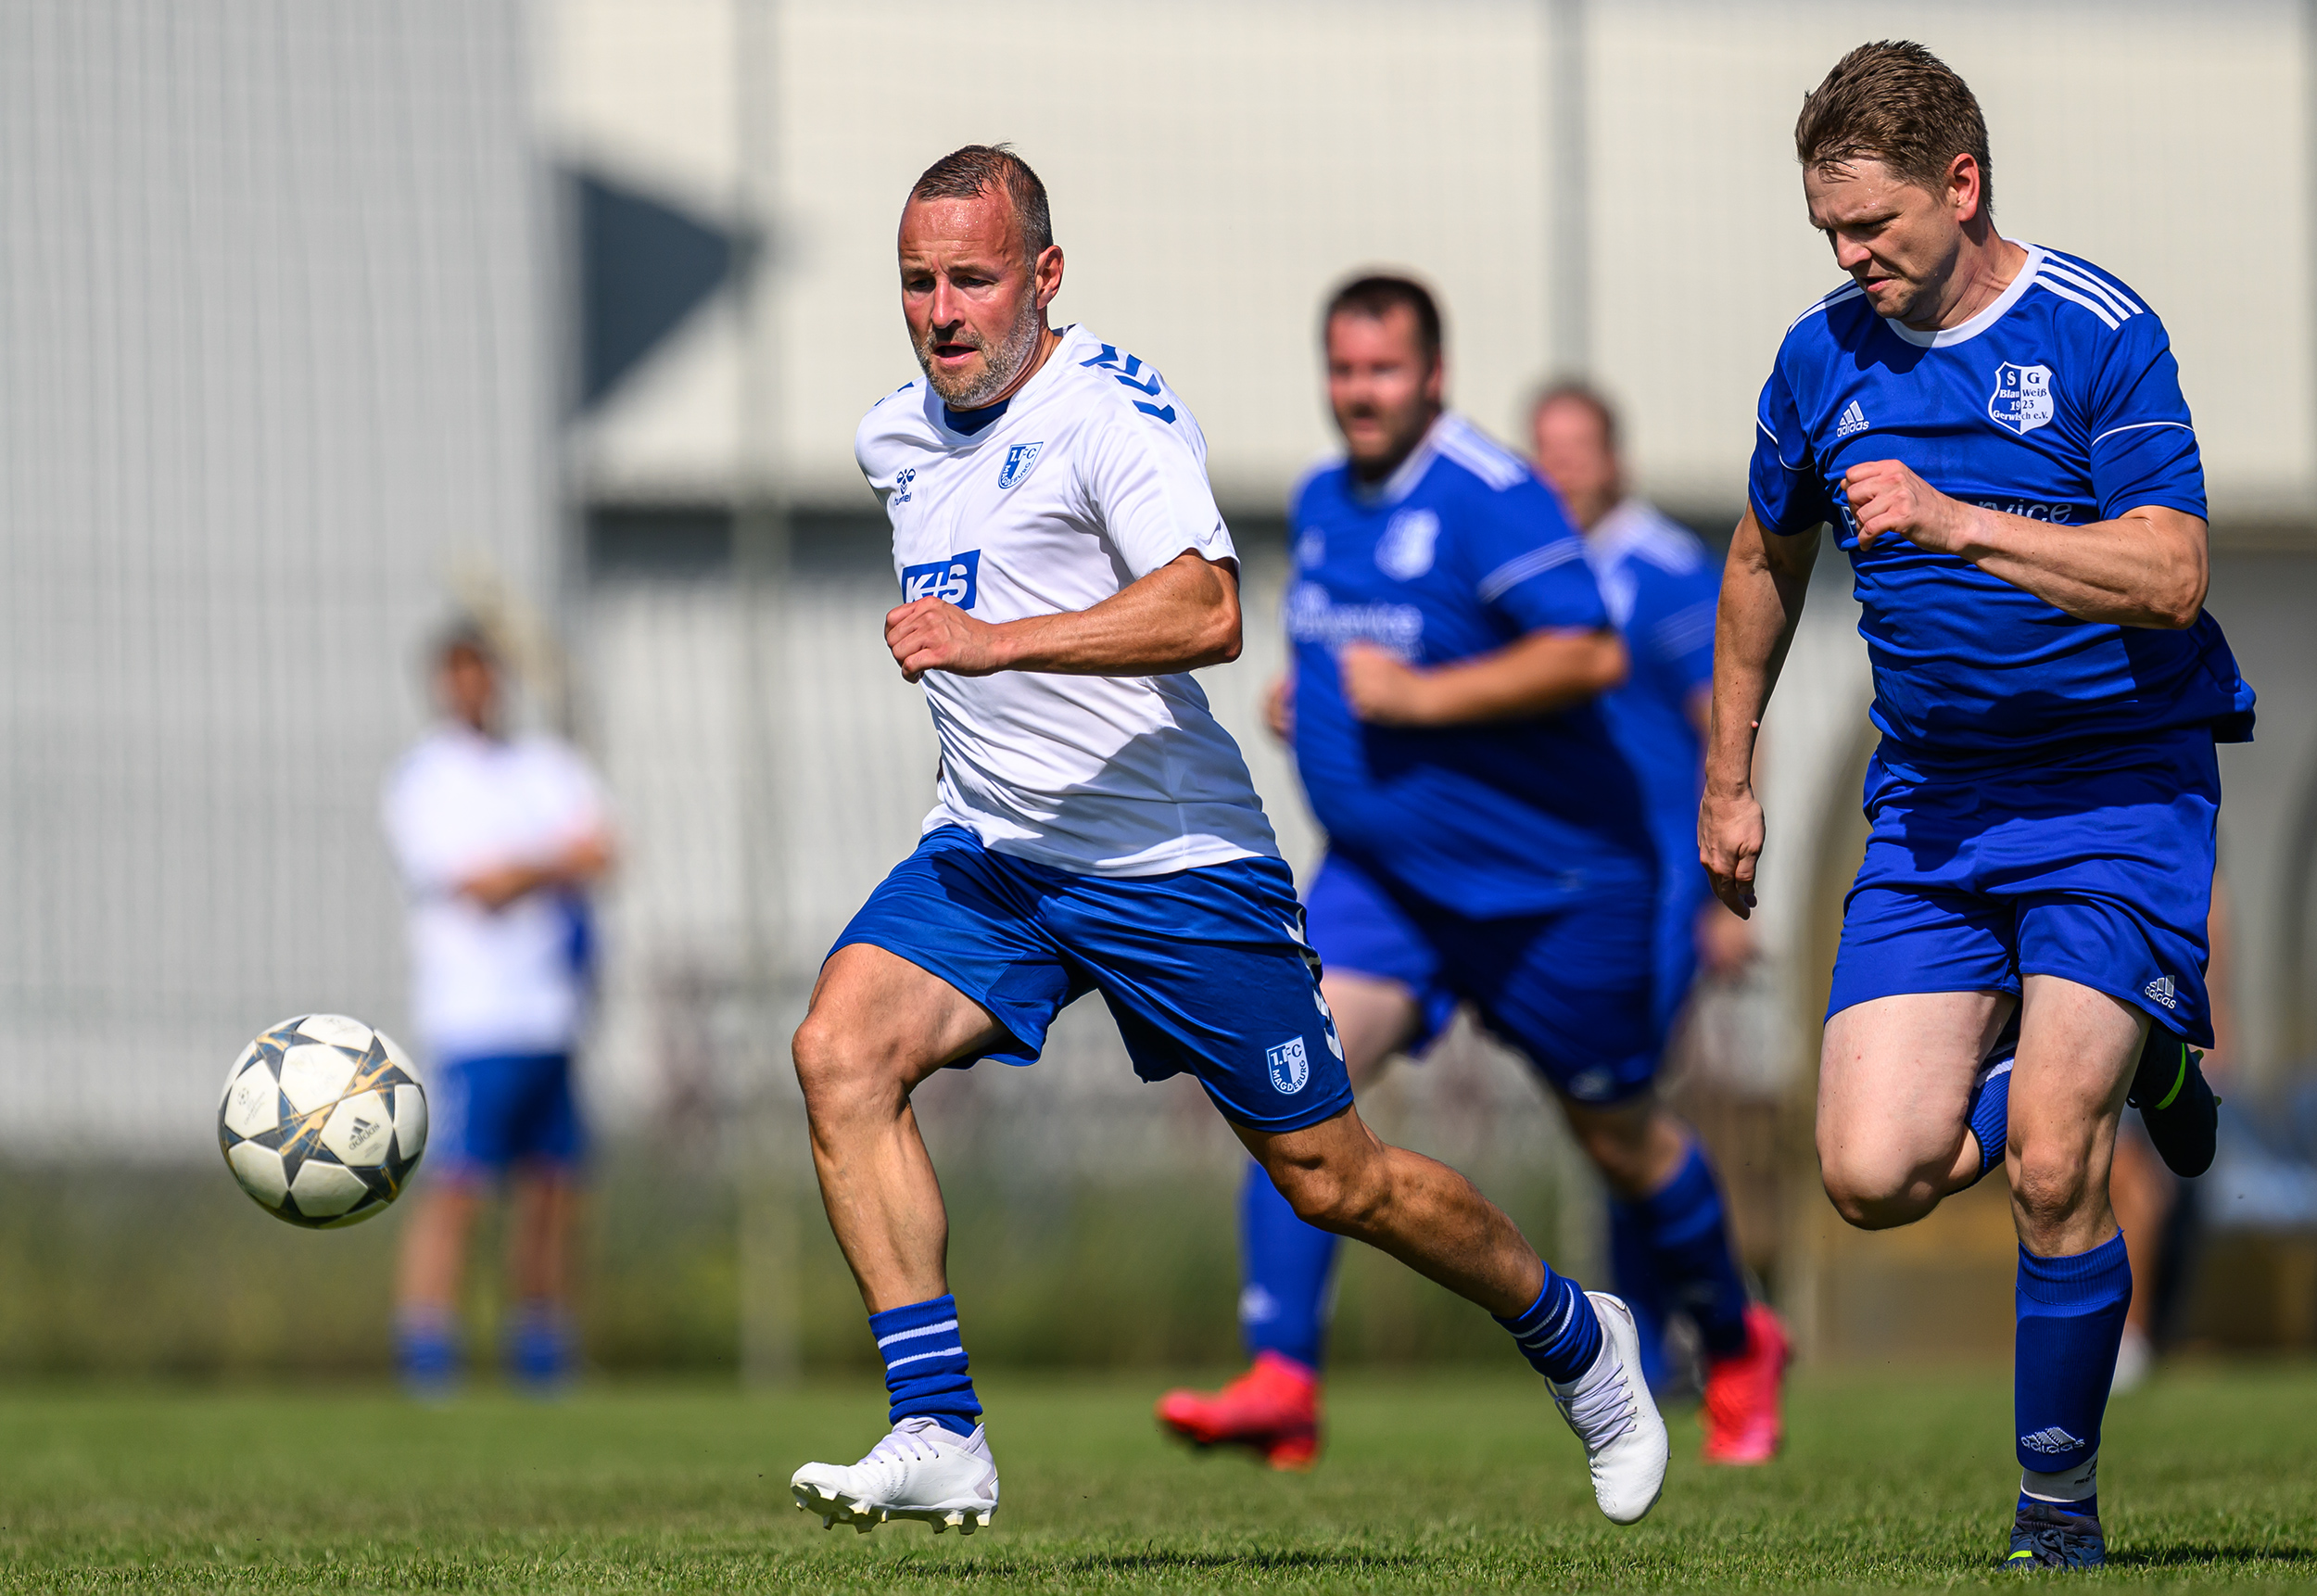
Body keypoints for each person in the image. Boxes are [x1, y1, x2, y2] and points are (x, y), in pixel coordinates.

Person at [784, 147, 1667, 1537]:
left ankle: (1577, 1338)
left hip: (1172, 868)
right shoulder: (895, 437)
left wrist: (997, 642)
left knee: (1334, 1180)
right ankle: (938, 1423)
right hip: (996, 857)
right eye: (918, 281)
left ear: (1045, 276)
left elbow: (1207, 608)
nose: (942, 310)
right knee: (841, 1050)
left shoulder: (1108, 417)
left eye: (974, 278)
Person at [1702, 43, 2246, 1570]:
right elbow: (1763, 562)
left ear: (1962, 184)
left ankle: (2054, 1514)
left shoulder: (2098, 332)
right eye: (1828, 231)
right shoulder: (1821, 360)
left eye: (1872, 225)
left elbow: (2172, 572)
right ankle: (2141, 1054)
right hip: (1936, 811)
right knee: (1873, 1172)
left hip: (2118, 792)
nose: (1848, 257)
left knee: (2054, 1159)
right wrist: (1728, 776)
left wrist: (1958, 521)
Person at [1152, 296, 1782, 1474]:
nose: (1360, 391)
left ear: (1434, 376)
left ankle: (1739, 1341)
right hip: (1385, 886)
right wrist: (1309, 700)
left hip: (1548, 894)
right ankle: (1284, 1377)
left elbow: (1587, 650)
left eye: (1384, 369)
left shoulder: (1489, 495)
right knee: (1294, 1084)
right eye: (1343, 368)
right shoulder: (1322, 499)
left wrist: (1419, 701)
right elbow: (1358, 646)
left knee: (1619, 1136)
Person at [1534, 381, 1768, 1392]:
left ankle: (1693, 1334)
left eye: (1576, 449)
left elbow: (1725, 722)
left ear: (1614, 460)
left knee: (1620, 1107)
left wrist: (1725, 896)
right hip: (1575, 886)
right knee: (1611, 1118)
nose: (1559, 469)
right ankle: (1681, 1329)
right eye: (1543, 450)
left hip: (1664, 883)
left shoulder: (1662, 570)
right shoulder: (1537, 570)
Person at [383, 622, 614, 1396]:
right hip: (473, 1018)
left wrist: (527, 870)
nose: (474, 687)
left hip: (551, 1011)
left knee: (552, 1189)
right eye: (459, 674)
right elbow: (476, 885)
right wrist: (550, 863)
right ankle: (427, 1349)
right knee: (459, 1187)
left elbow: (603, 851)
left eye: (483, 671)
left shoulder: (546, 765)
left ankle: (541, 1350)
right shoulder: (424, 780)